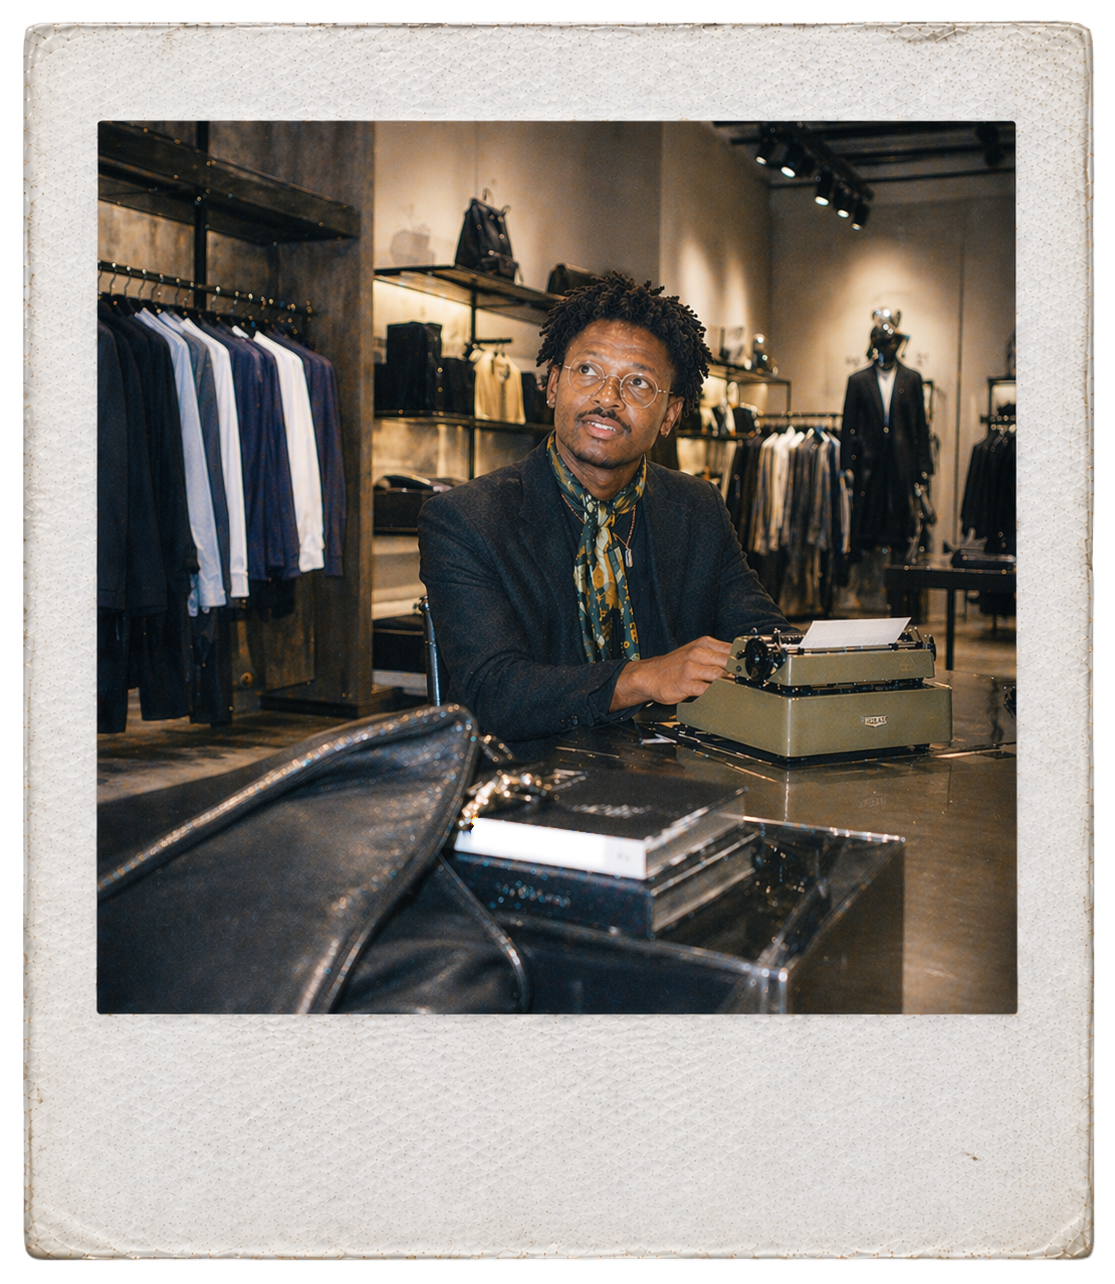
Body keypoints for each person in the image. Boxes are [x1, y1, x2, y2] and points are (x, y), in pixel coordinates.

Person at [418, 272, 790, 757]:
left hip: (680, 775)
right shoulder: (468, 519)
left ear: (671, 415)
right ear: (553, 385)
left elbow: (764, 634)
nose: (607, 398)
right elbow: (495, 693)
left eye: (638, 383)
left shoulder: (696, 507)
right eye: (587, 372)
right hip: (530, 788)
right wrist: (642, 677)